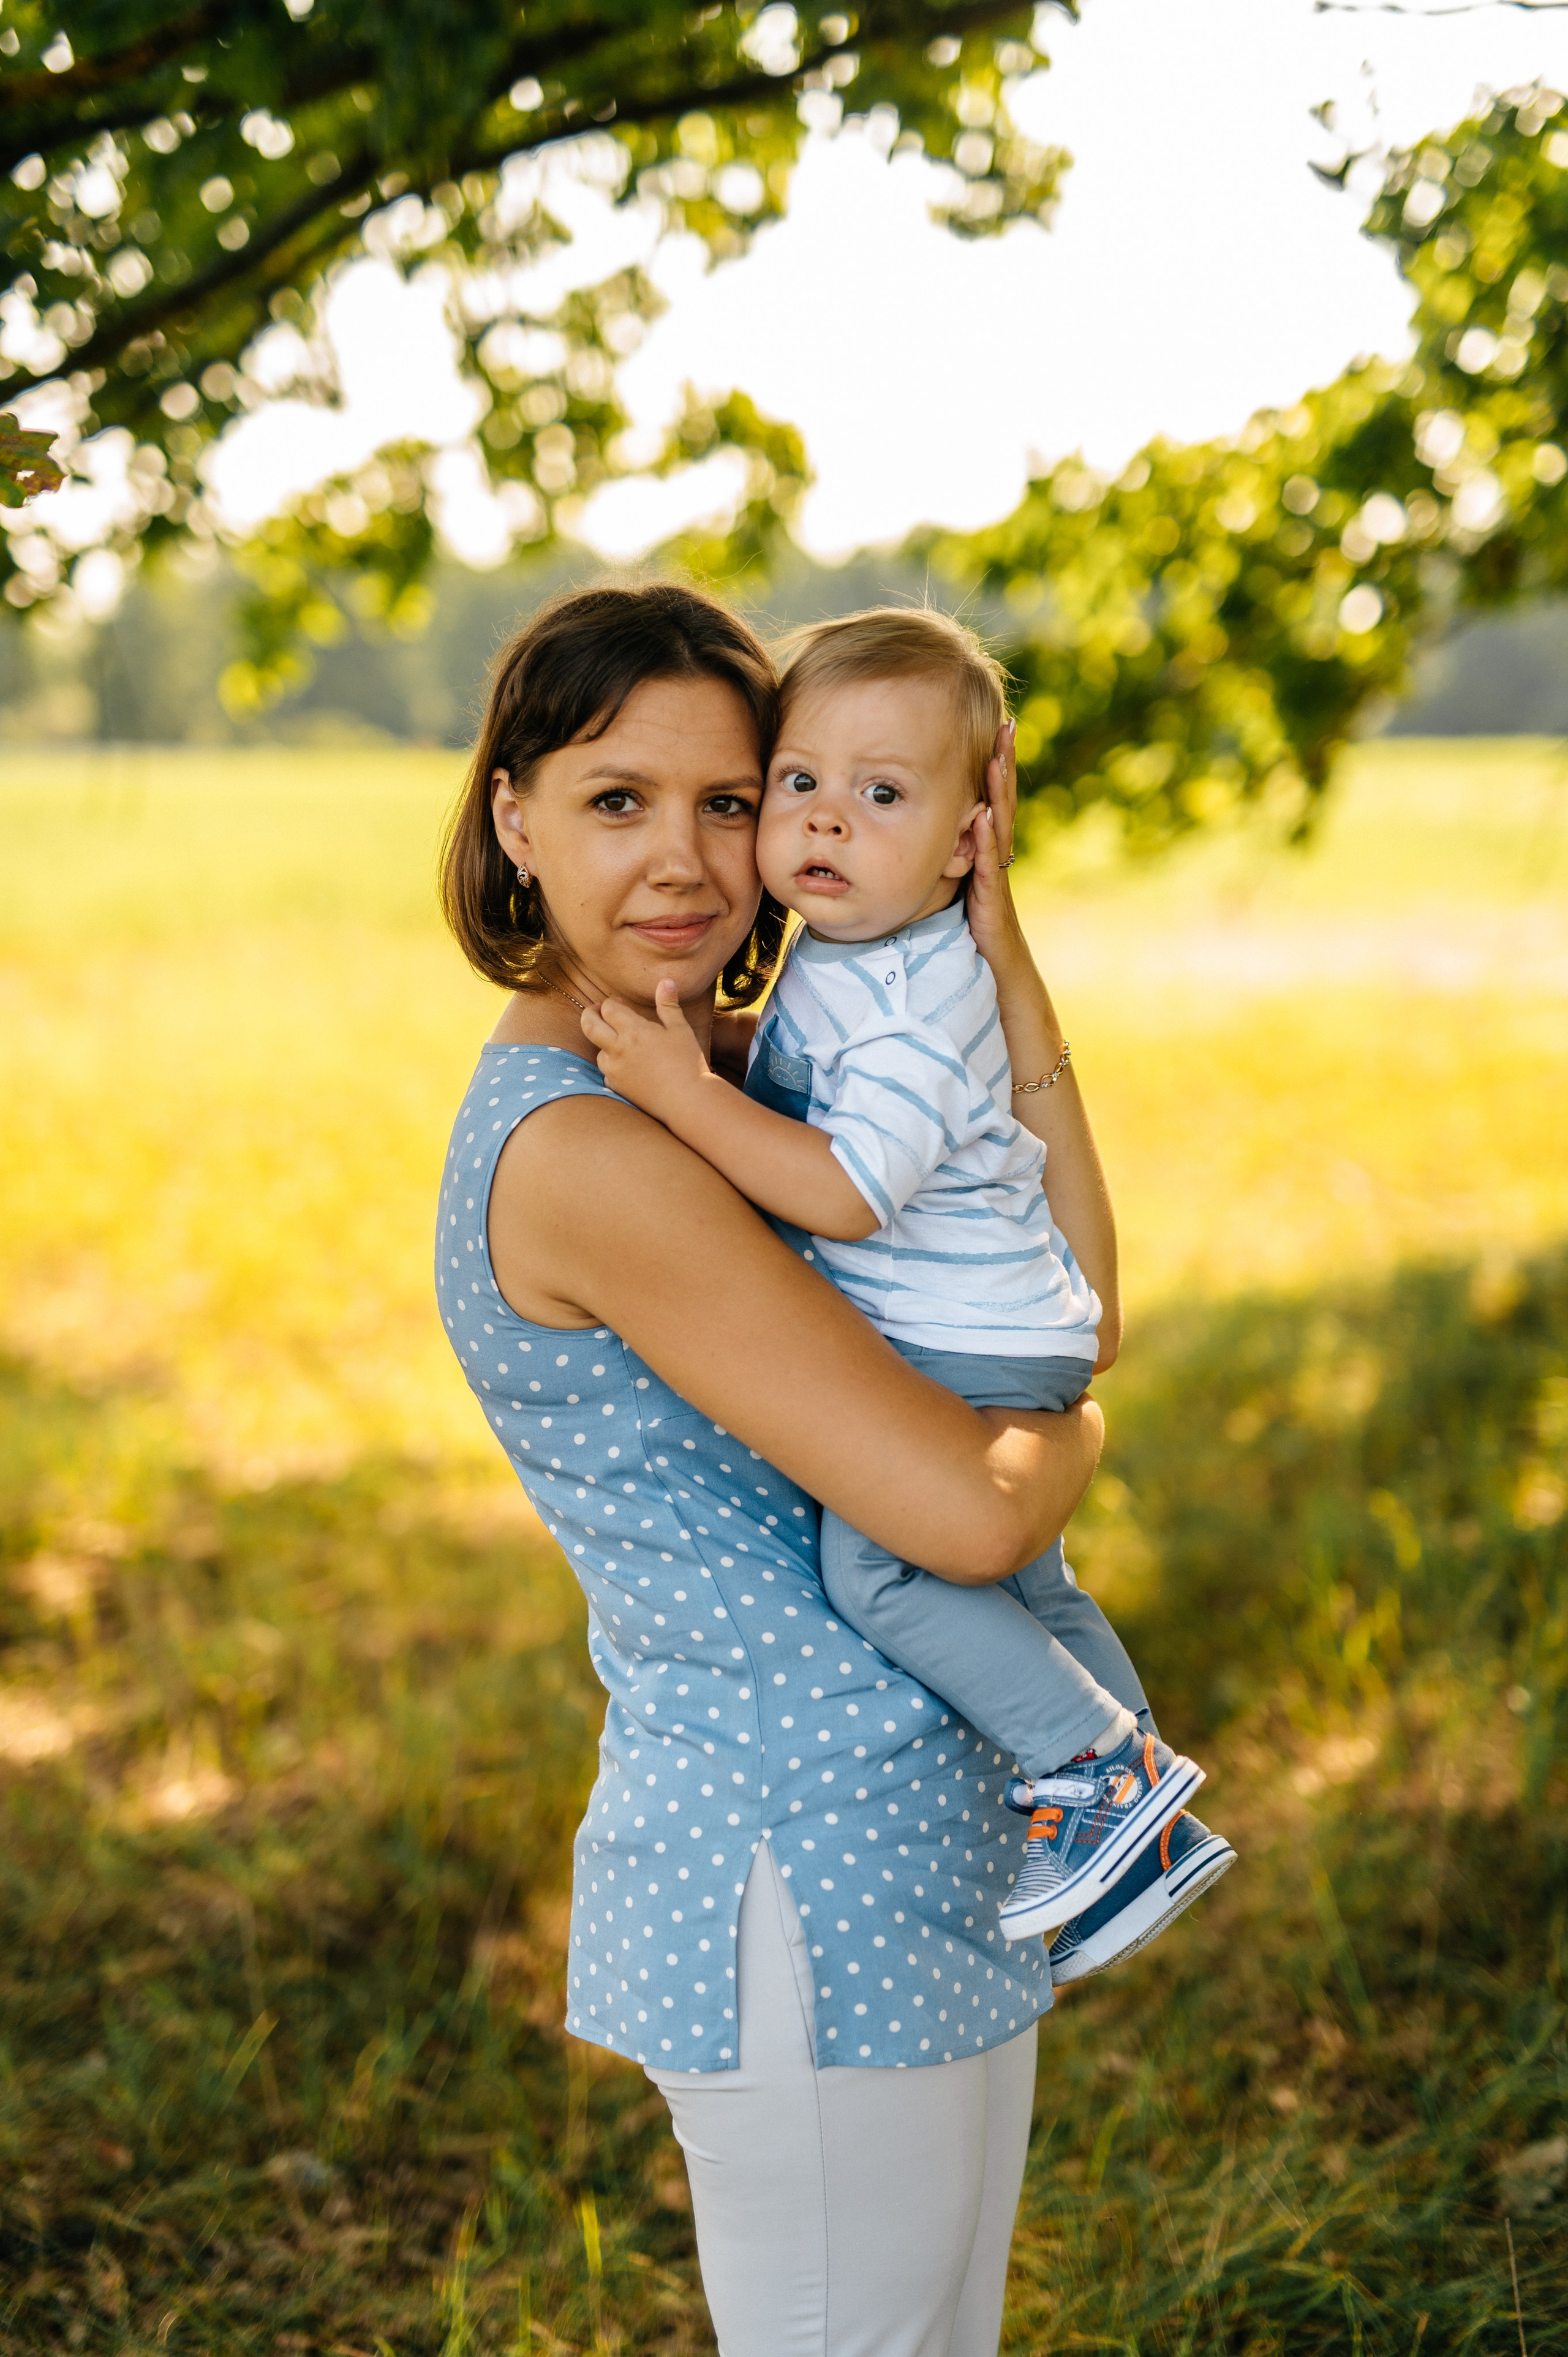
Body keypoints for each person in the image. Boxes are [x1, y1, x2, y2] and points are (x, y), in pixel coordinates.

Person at [437, 579, 1101, 2357]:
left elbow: (1076, 1287)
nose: (685, 859)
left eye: (729, 800)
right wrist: (1074, 1431)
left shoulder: (734, 1077)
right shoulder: (597, 1150)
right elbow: (971, 1505)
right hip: (802, 1870)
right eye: (615, 798)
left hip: (919, 1834)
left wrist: (996, 949)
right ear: (515, 820)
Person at [582, 607, 1235, 1971]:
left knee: (877, 1567)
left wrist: (685, 1093)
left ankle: (1096, 1773)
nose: (825, 819)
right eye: (797, 782)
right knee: (1034, 1590)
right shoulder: (859, 953)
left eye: (881, 795)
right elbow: (814, 1082)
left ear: (964, 844)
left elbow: (841, 1190)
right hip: (997, 1321)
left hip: (965, 1339)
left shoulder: (912, 1003)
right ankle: (1148, 1813)